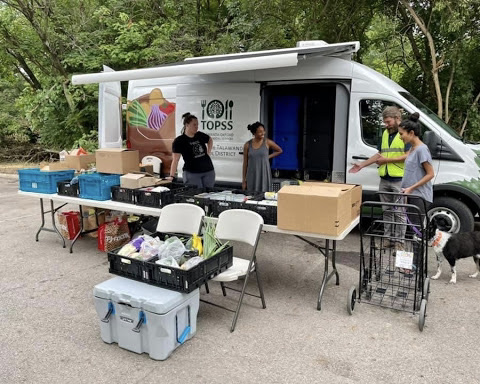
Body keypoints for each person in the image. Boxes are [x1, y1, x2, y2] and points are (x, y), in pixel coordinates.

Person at [349, 106, 410, 250]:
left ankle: (399, 243)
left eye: (388, 122)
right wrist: (362, 165)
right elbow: (380, 154)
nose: (386, 124)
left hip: (400, 179)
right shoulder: (384, 134)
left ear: (397, 119)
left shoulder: (405, 133)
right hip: (385, 179)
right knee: (387, 211)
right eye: (385, 122)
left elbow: (409, 155)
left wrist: (387, 161)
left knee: (400, 213)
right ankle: (388, 240)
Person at [398, 112, 434, 221]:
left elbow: (430, 174)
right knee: (412, 230)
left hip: (419, 197)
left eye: (401, 134)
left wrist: (411, 188)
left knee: (416, 231)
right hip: (411, 194)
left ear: (411, 133)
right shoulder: (412, 148)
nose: (400, 137)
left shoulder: (421, 149)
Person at [168, 112, 215, 188]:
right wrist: (172, 176)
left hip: (208, 171)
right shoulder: (179, 141)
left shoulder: (199, 135)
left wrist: (208, 152)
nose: (196, 127)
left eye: (197, 125)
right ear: (187, 125)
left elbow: (210, 140)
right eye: (194, 125)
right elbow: (175, 160)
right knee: (195, 195)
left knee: (208, 195)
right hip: (192, 173)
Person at [242, 122, 283, 192]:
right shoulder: (247, 145)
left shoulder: (267, 142)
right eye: (260, 132)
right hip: (252, 175)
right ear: (254, 133)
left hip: (264, 174)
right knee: (251, 196)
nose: (263, 133)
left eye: (263, 131)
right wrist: (244, 180)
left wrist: (268, 156)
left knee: (264, 194)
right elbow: (245, 164)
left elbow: (279, 150)